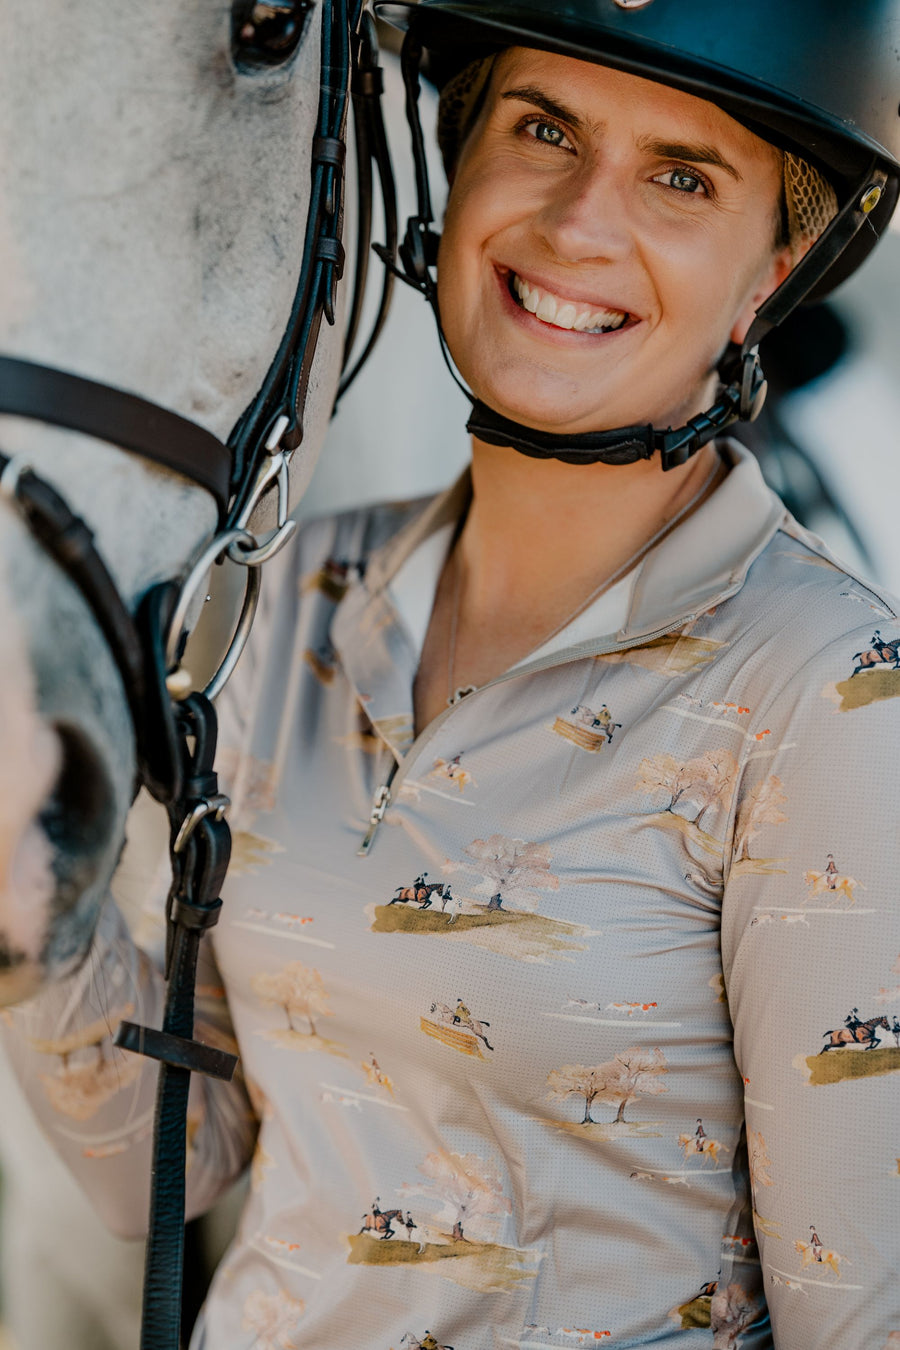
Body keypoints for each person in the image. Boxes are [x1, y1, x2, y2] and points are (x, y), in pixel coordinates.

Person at [4, 2, 900, 1347]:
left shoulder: (825, 687)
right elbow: (170, 1163)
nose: (580, 224)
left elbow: (862, 1315)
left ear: (768, 272)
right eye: (543, 129)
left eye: (681, 176)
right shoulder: (292, 593)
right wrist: (37, 914)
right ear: (456, 156)